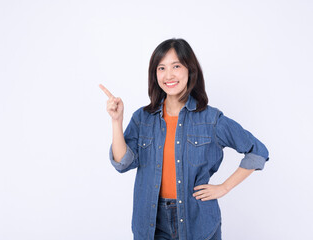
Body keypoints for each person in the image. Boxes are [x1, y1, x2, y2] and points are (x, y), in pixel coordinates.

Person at [99, 38, 269, 240]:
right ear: (155, 74)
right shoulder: (142, 118)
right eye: (161, 68)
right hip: (151, 223)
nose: (168, 75)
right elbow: (122, 163)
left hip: (197, 222)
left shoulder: (211, 119)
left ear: (190, 70)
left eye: (176, 66)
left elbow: (257, 151)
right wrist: (116, 121)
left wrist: (224, 187)